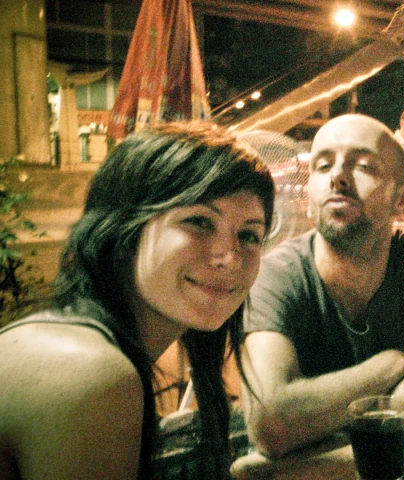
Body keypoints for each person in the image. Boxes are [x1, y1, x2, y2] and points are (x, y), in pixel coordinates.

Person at [0, 122, 275, 479]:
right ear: (123, 231)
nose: (230, 257)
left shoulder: (76, 340)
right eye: (199, 222)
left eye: (249, 235)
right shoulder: (90, 373)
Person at [240, 113, 404, 457]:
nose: (338, 178)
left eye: (365, 167)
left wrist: (319, 411)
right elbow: (271, 423)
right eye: (323, 166)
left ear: (402, 200)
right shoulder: (276, 274)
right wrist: (391, 365)